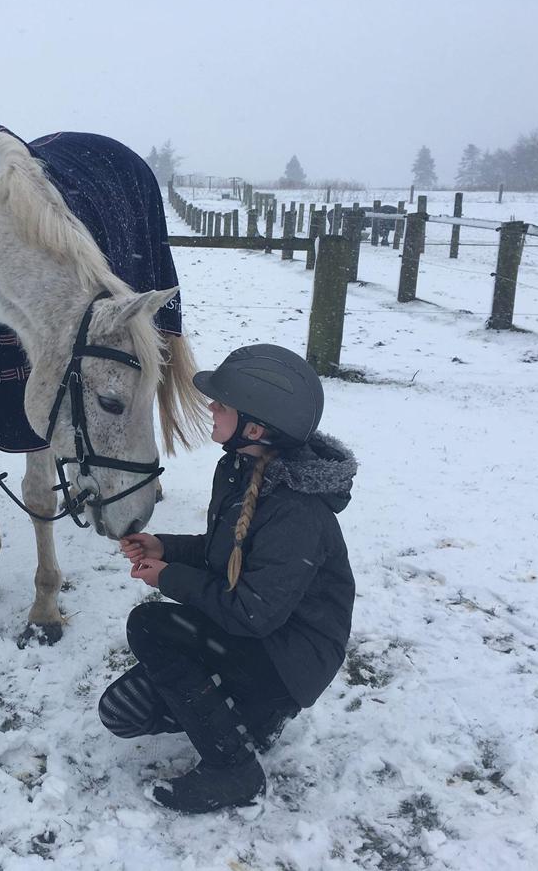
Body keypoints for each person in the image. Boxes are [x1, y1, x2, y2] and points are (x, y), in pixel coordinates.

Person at [98, 343, 357, 813]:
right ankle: (254, 719)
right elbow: (227, 554)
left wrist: (169, 578)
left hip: (288, 659)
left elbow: (252, 614)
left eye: (223, 403)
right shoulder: (241, 468)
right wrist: (166, 548)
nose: (212, 407)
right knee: (124, 709)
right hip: (261, 638)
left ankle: (233, 768)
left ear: (255, 428)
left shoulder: (297, 512)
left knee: (149, 624)